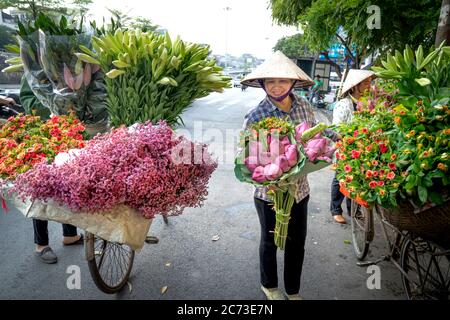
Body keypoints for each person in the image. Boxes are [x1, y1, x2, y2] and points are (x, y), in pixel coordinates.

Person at [240, 51, 338, 300]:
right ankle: (269, 286)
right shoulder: (255, 115)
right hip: (268, 192)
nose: (276, 86)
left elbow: (314, 138)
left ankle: (293, 290)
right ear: (262, 84)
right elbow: (246, 155)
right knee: (270, 240)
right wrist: (273, 177)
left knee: (297, 243)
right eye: (270, 82)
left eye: (282, 81)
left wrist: (334, 141)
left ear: (293, 82)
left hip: (300, 190)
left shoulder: (305, 106)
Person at [19, 75, 83, 264]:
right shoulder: (33, 71)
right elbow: (26, 98)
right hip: (44, 135)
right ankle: (41, 243)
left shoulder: (64, 66)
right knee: (41, 188)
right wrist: (53, 108)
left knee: (68, 182)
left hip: (68, 132)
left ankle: (70, 235)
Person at [330, 69, 375, 224]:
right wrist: (350, 139)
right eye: (366, 82)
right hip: (344, 146)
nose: (369, 85)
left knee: (355, 179)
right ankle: (335, 210)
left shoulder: (368, 103)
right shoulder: (343, 104)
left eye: (370, 82)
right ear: (355, 86)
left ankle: (352, 210)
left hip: (362, 148)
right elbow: (337, 128)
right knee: (340, 178)